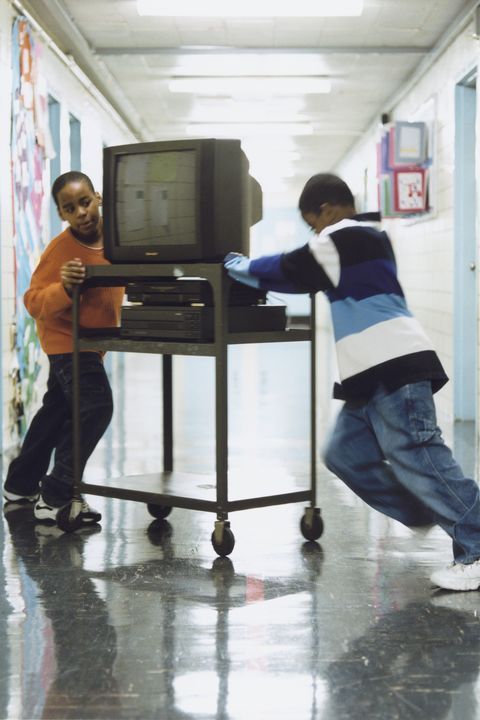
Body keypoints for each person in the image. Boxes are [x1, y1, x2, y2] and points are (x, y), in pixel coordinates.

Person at [225, 172, 480, 592]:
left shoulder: (346, 237)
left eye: (313, 224)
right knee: (344, 453)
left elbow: (287, 269)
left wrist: (235, 264)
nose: (315, 232)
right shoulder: (367, 239)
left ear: (327, 211)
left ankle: (474, 547)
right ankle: (421, 510)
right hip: (369, 375)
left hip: (394, 366)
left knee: (420, 456)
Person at [3, 171, 124, 527]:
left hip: (94, 342)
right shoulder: (60, 250)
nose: (81, 213)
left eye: (85, 202)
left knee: (56, 411)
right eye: (70, 208)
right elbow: (32, 301)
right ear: (62, 215)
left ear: (98, 198)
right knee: (97, 406)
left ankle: (19, 485)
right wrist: (65, 289)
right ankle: (56, 494)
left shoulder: (117, 243)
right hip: (67, 342)